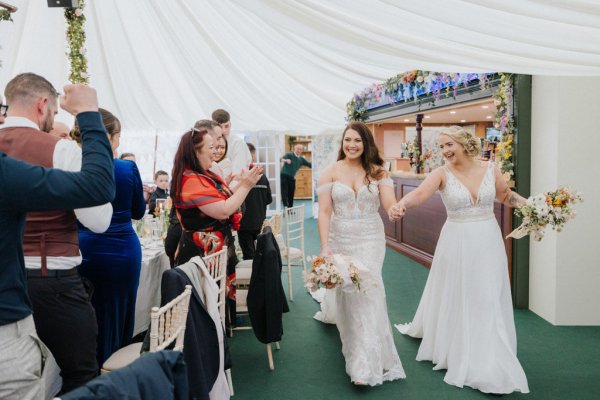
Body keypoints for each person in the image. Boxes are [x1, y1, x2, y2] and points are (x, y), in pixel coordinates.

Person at [392, 126, 529, 394]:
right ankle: (458, 344)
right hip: (457, 241)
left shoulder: (490, 168)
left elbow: (505, 195)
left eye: (449, 145)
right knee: (461, 292)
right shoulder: (440, 173)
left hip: (488, 239)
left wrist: (534, 205)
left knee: (487, 294)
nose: (445, 151)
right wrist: (402, 205)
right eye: (442, 147)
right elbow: (420, 194)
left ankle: (489, 348)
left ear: (464, 144)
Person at [0, 83, 115, 400]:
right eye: (52, 110)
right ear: (42, 105)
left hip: (14, 280)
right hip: (51, 280)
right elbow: (99, 220)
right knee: (81, 374)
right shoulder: (59, 149)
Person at [315, 121, 405, 386]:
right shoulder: (329, 172)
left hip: (370, 239)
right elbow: (324, 211)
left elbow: (388, 205)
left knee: (369, 289)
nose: (352, 145)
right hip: (340, 238)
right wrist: (325, 246)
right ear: (342, 143)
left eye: (357, 140)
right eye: (347, 140)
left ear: (366, 144)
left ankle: (363, 364)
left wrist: (395, 210)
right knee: (349, 294)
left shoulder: (378, 172)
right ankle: (355, 347)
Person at [171, 126, 262, 332]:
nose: (216, 152)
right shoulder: (190, 180)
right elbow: (223, 211)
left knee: (214, 307)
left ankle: (217, 348)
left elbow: (227, 197)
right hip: (200, 255)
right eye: (211, 147)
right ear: (195, 152)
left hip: (215, 250)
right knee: (203, 307)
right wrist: (246, 185)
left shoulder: (203, 174)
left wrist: (244, 183)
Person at [76, 109, 146, 366]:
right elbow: (139, 211)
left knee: (88, 313)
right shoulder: (126, 168)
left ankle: (90, 371)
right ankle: (115, 370)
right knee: (119, 314)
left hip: (85, 250)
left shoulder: (74, 166)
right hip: (122, 252)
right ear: (110, 136)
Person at [238, 143, 272, 259]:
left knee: (248, 256)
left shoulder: (238, 177)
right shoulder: (263, 177)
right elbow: (268, 199)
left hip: (243, 224)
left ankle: (250, 276)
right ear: (253, 156)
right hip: (260, 223)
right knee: (261, 255)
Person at [212, 109, 252, 176]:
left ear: (230, 124)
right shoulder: (209, 141)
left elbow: (238, 174)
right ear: (213, 127)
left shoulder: (238, 143)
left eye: (227, 126)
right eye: (220, 127)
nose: (224, 130)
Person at [280, 143, 311, 208]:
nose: (299, 150)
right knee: (284, 192)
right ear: (294, 149)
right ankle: (286, 207)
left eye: (300, 149)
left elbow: (309, 164)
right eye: (298, 149)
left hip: (291, 177)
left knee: (291, 193)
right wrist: (286, 160)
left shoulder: (301, 159)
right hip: (284, 175)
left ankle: (290, 208)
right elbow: (281, 159)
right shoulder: (289, 154)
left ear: (302, 150)